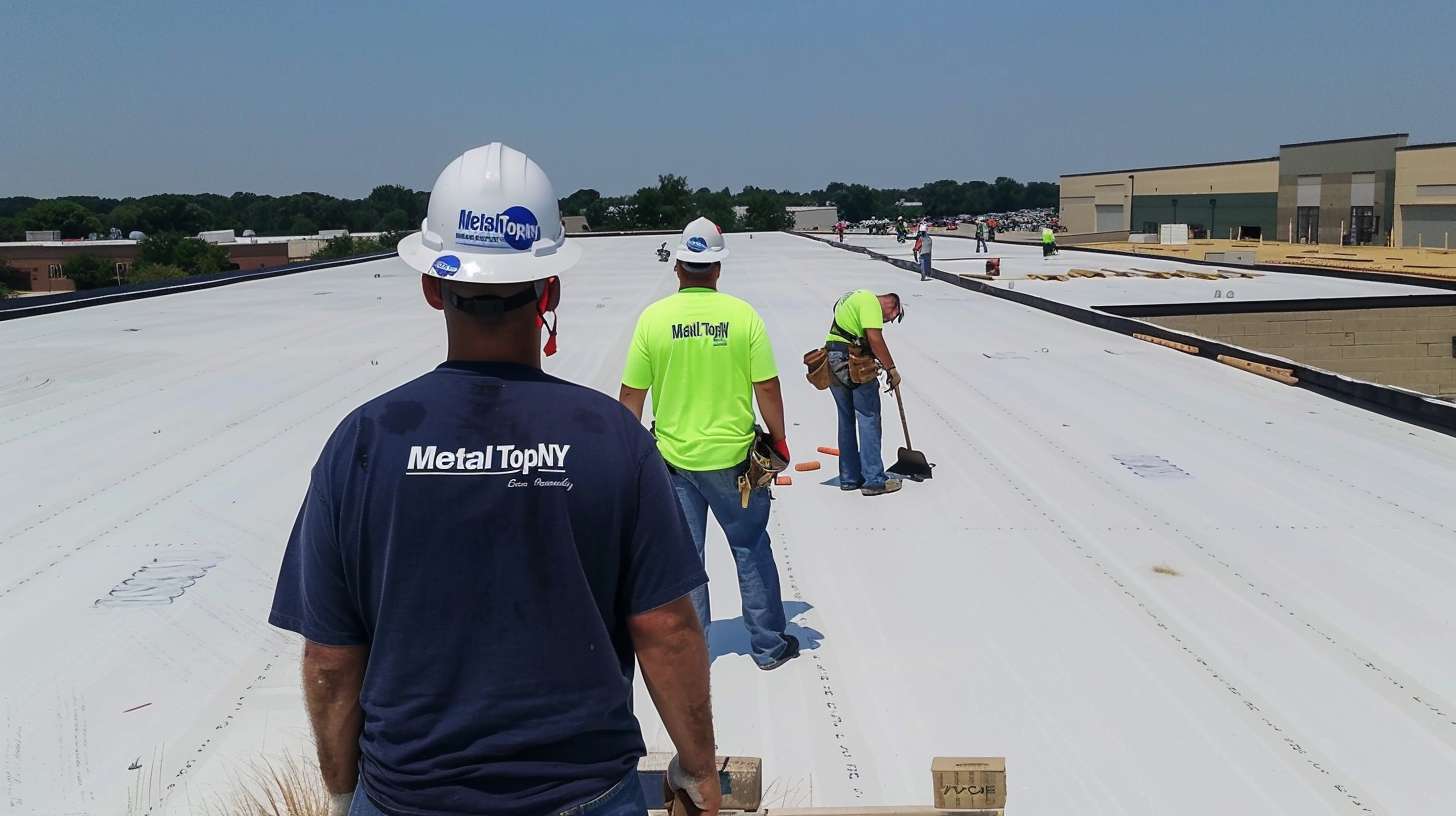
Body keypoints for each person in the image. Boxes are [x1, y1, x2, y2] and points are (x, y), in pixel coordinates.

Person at [269, 143, 721, 816]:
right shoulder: (613, 440)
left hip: (406, 801)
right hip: (584, 796)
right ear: (551, 289)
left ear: (431, 286)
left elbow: (331, 661)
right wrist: (698, 768)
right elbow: (667, 630)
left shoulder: (362, 444)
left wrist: (340, 793)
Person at [618, 217, 801, 672]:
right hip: (735, 463)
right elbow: (769, 387)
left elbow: (630, 398)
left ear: (679, 266)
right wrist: (778, 441)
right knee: (751, 546)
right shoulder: (742, 316)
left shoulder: (654, 320)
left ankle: (692, 656)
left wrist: (629, 459)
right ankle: (768, 645)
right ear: (716, 269)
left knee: (684, 561)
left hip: (673, 463)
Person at [824, 289, 904, 495]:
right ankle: (874, 480)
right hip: (853, 362)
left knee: (846, 419)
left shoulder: (850, 297)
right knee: (868, 417)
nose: (886, 321)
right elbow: (875, 338)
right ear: (893, 308)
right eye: (890, 319)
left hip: (832, 359)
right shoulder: (870, 303)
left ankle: (849, 478)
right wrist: (891, 368)